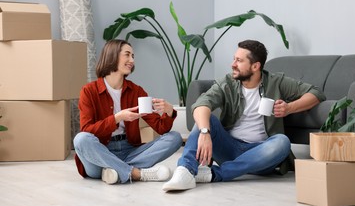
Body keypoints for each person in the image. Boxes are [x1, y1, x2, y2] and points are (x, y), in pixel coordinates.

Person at [162, 39, 326, 191]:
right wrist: (205, 132)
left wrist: (289, 108)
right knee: (206, 120)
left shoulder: (276, 82)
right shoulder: (227, 83)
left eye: (239, 61)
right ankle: (185, 171)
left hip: (260, 153)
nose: (233, 64)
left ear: (255, 66)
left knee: (282, 142)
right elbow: (201, 104)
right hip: (229, 147)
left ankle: (215, 174)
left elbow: (316, 93)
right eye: (234, 59)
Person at [73, 39, 183, 185]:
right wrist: (118, 118)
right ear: (112, 55)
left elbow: (161, 128)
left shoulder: (136, 91)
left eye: (133, 56)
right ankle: (134, 173)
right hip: (99, 153)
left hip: (129, 150)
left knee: (174, 138)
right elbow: (87, 130)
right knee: (81, 139)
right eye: (127, 55)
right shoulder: (89, 91)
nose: (132, 60)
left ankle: (115, 170)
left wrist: (169, 112)